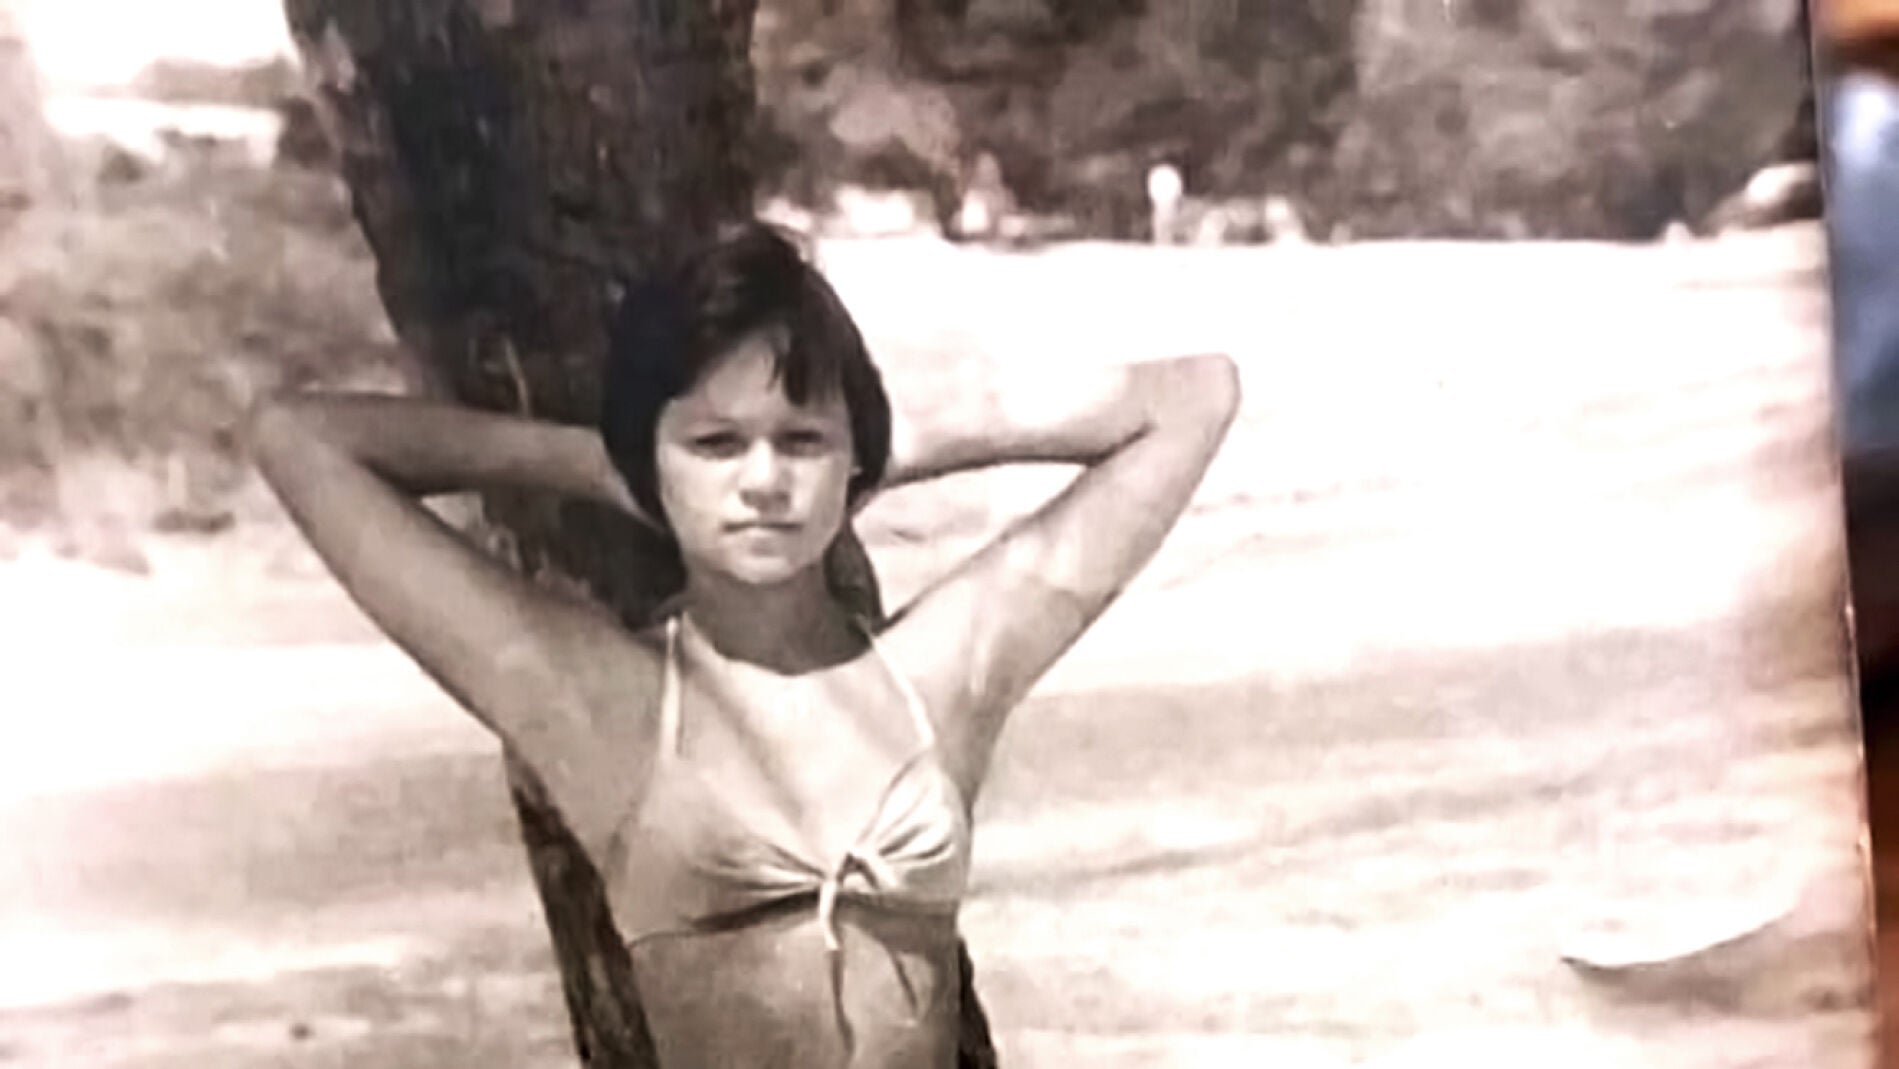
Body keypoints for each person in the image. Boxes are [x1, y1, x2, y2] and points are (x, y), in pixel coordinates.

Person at [249, 222, 1240, 1068]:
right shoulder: (603, 706)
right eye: (715, 443)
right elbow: (299, 438)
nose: (763, 481)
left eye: (800, 440)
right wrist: (599, 464)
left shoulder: (938, 678)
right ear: (653, 459)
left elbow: (1194, 398)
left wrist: (884, 450)